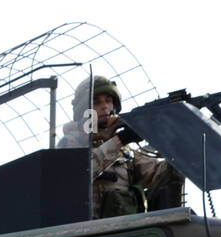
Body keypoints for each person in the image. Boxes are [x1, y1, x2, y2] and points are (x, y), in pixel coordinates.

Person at [56, 75, 184, 218]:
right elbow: (77, 175)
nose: (105, 106)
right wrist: (120, 140)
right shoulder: (70, 143)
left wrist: (179, 145)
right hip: (87, 233)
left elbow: (158, 174)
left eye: (108, 101)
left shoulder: (125, 152)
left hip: (125, 233)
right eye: (96, 102)